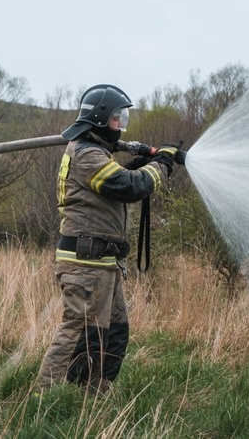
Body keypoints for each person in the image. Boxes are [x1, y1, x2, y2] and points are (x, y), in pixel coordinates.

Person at [36, 84, 179, 397]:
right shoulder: (87, 155)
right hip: (85, 264)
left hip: (101, 264)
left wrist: (140, 165)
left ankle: (91, 396)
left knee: (113, 332)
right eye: (117, 119)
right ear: (100, 119)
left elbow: (113, 185)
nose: (121, 125)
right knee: (78, 331)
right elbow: (128, 187)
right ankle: (42, 398)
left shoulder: (94, 153)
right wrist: (161, 165)